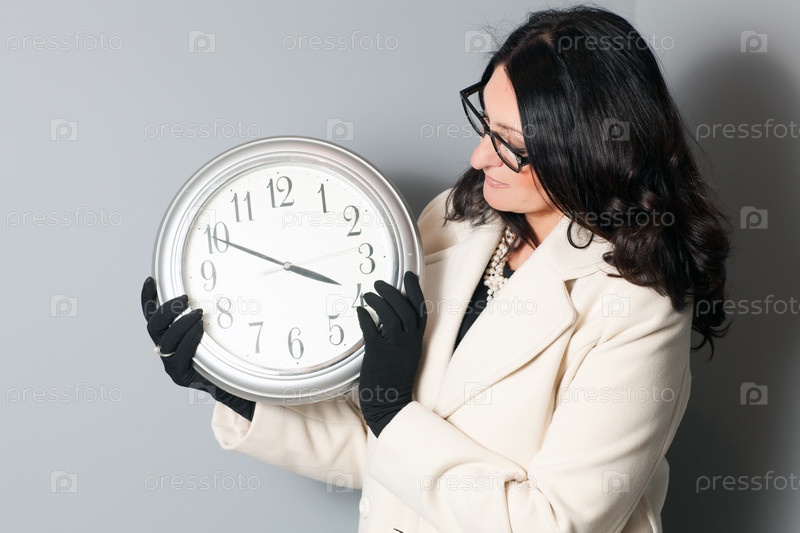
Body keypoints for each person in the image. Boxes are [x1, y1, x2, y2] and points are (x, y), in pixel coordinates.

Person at [140, 5, 730, 532]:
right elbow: (382, 452)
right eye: (485, 125)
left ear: (588, 151)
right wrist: (231, 385)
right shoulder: (455, 222)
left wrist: (393, 410)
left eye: (510, 144)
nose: (479, 156)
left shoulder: (638, 306)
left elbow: (554, 522)